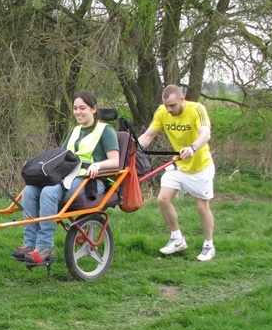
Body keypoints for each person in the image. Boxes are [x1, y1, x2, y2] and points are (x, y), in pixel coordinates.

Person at [13, 90, 120, 265]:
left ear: (93, 109)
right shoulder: (74, 131)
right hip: (68, 176)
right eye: (75, 108)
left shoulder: (106, 131)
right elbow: (62, 156)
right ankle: (30, 243)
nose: (78, 112)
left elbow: (115, 161)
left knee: (49, 192)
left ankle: (45, 246)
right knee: (30, 191)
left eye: (82, 108)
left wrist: (97, 165)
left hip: (92, 181)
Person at [137, 84, 216, 261]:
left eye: (172, 105)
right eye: (166, 105)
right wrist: (133, 150)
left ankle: (208, 245)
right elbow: (148, 135)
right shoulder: (162, 112)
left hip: (200, 166)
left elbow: (205, 133)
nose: (169, 109)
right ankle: (177, 239)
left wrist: (193, 147)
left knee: (202, 208)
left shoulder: (197, 110)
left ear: (182, 99)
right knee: (162, 199)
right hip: (178, 165)